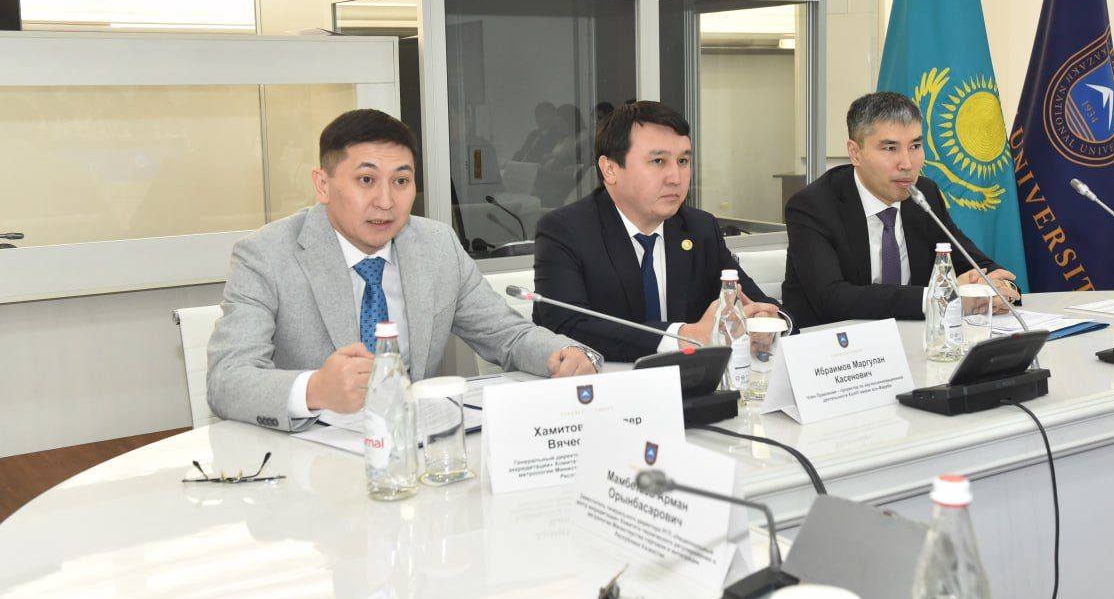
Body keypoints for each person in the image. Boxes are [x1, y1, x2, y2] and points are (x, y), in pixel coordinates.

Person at [207, 109, 598, 432]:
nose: (386, 201)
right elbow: (227, 378)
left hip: (416, 446)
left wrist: (561, 354)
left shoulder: (437, 246)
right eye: (366, 180)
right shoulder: (266, 255)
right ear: (322, 185)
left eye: (401, 181)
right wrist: (316, 389)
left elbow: (506, 334)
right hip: (310, 460)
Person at [533, 100, 781, 362]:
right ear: (610, 169)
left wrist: (766, 320)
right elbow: (565, 325)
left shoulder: (699, 229)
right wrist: (682, 335)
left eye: (683, 161)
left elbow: (761, 303)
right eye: (658, 161)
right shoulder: (566, 231)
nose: (676, 177)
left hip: (693, 381)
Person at [782, 91, 1020, 327]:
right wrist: (941, 298)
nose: (907, 164)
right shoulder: (813, 206)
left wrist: (998, 288)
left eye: (915, 146)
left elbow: (974, 263)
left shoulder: (923, 194)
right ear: (855, 153)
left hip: (913, 340)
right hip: (837, 344)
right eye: (890, 148)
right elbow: (833, 298)